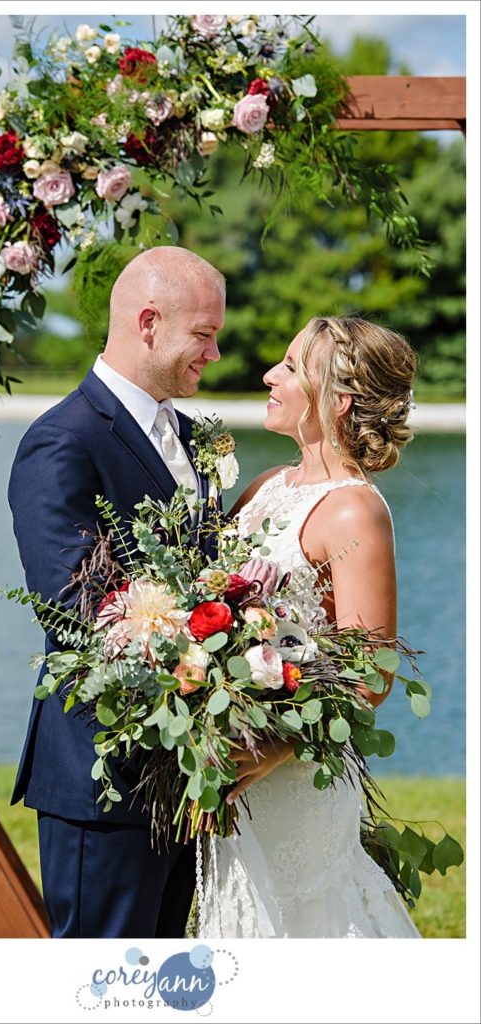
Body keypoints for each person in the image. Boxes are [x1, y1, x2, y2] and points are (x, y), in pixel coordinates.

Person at [7, 246, 226, 938]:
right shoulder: (62, 441)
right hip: (103, 776)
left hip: (188, 769)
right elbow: (73, 607)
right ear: (150, 322)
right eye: (205, 334)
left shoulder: (194, 439)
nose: (215, 354)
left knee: (164, 978)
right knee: (101, 983)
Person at [196, 315, 422, 938]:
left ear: (338, 400)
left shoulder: (353, 509)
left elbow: (370, 674)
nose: (270, 374)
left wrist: (269, 751)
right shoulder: (268, 487)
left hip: (292, 772)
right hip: (233, 755)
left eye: (291, 367)